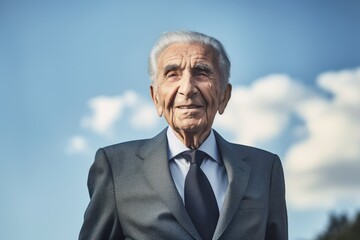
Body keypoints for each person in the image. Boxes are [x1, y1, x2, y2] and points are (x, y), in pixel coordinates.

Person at [79, 30, 288, 240]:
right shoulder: (116, 168)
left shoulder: (266, 169)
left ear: (224, 96)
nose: (187, 88)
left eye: (202, 72)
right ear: (156, 98)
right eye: (172, 74)